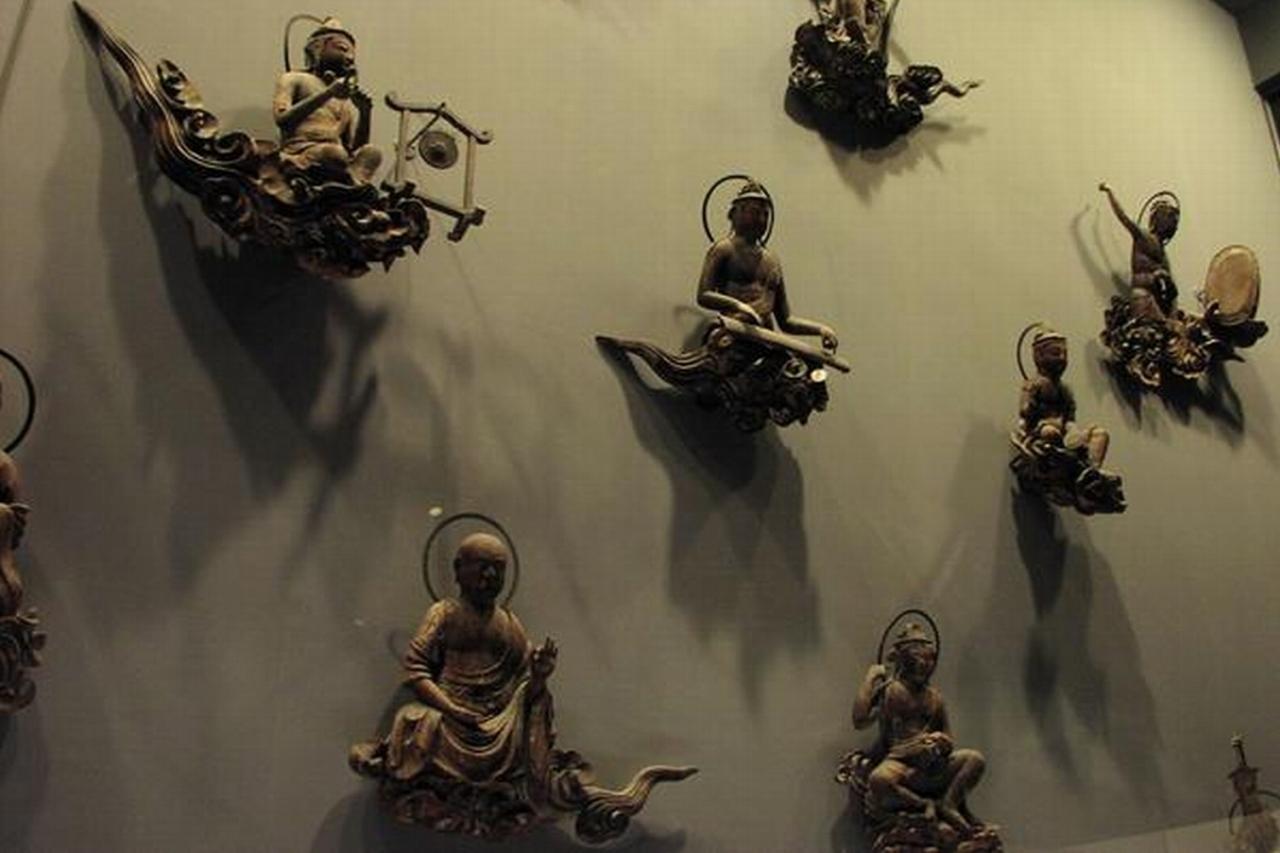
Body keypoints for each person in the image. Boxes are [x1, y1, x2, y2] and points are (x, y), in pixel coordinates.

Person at [851, 622, 987, 833]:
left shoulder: (934, 697)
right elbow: (860, 720)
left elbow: (948, 739)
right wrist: (871, 678)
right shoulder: (891, 691)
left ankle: (949, 804)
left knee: (974, 759)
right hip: (900, 765)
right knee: (878, 780)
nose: (925, 666)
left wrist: (941, 741)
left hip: (932, 765)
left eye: (929, 660)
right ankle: (923, 804)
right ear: (904, 661)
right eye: (919, 660)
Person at [697, 182, 839, 352]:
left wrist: (821, 329)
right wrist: (738, 306)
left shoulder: (772, 260)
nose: (761, 220)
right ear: (735, 214)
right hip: (734, 331)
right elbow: (704, 295)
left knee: (797, 366)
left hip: (765, 337)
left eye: (765, 214)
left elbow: (786, 321)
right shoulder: (724, 249)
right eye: (755, 212)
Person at [272, 18, 382, 184]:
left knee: (372, 153)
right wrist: (328, 93)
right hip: (303, 150)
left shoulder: (343, 100)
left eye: (352, 54)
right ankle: (347, 178)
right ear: (318, 48)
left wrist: (365, 113)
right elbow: (282, 119)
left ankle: (352, 181)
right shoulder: (294, 79)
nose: (349, 57)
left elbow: (354, 148)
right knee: (334, 153)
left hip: (337, 155)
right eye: (342, 49)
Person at [1018, 329, 1110, 471]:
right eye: (1055, 353)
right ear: (1039, 356)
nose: (1062, 358)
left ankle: (1092, 470)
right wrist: (1032, 397)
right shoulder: (1034, 385)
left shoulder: (1064, 389)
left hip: (1065, 431)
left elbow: (1070, 417)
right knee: (1050, 433)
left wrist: (1073, 431)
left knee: (1100, 433)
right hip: (1041, 431)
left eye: (1065, 354)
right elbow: (1025, 414)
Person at [1099, 182, 1180, 316]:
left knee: (1169, 325)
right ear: (1158, 220)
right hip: (1141, 297)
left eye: (1173, 222)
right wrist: (1110, 192)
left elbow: (1172, 289)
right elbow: (1123, 216)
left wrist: (1174, 313)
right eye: (1169, 220)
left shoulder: (1163, 253)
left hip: (1157, 300)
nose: (1172, 225)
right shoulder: (1143, 237)